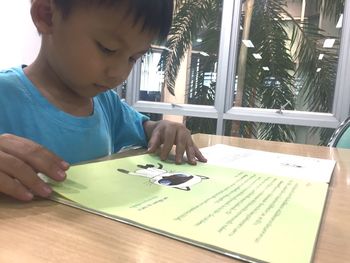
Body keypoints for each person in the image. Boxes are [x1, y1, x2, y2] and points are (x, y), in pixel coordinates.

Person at [0, 0, 207, 202]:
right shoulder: (5, 94)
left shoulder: (105, 102)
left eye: (133, 58)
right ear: (47, 15)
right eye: (108, 49)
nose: (119, 73)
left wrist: (164, 128)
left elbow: (145, 129)